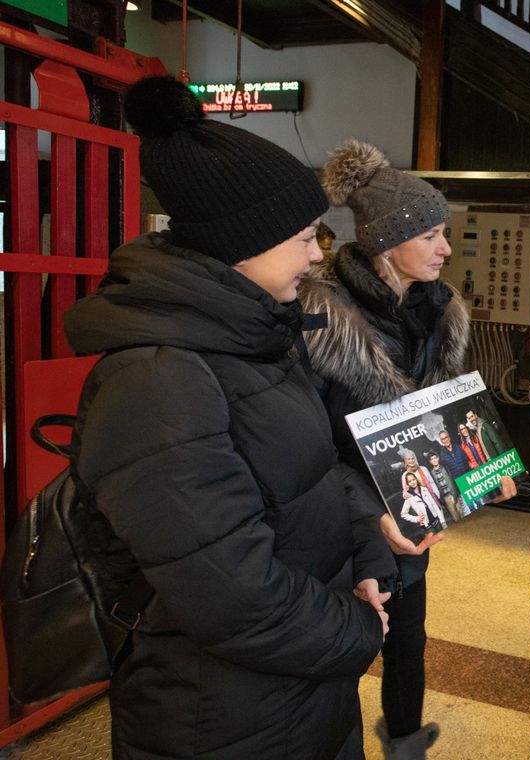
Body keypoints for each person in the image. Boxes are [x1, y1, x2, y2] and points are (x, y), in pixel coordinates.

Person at [64, 76, 394, 760]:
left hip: (298, 685)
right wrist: (356, 628)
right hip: (219, 714)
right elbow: (230, 594)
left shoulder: (253, 335)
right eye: (305, 237)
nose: (316, 254)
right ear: (239, 242)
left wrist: (363, 552)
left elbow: (311, 472)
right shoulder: (156, 378)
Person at [298, 138, 516, 760]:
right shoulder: (320, 317)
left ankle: (404, 741)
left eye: (444, 234)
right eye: (432, 236)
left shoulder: (439, 314)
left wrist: (482, 466)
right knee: (338, 643)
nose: (447, 249)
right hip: (339, 519)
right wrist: (368, 511)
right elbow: (303, 444)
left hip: (411, 518)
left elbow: (439, 422)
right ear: (387, 242)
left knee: (409, 641)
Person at [425, 451, 464, 522]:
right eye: (432, 459)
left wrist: (458, 494)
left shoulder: (445, 468)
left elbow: (453, 480)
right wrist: (441, 501)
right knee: (456, 518)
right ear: (430, 462)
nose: (434, 460)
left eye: (435, 458)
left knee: (462, 513)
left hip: (454, 493)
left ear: (438, 458)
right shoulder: (431, 474)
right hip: (446, 498)